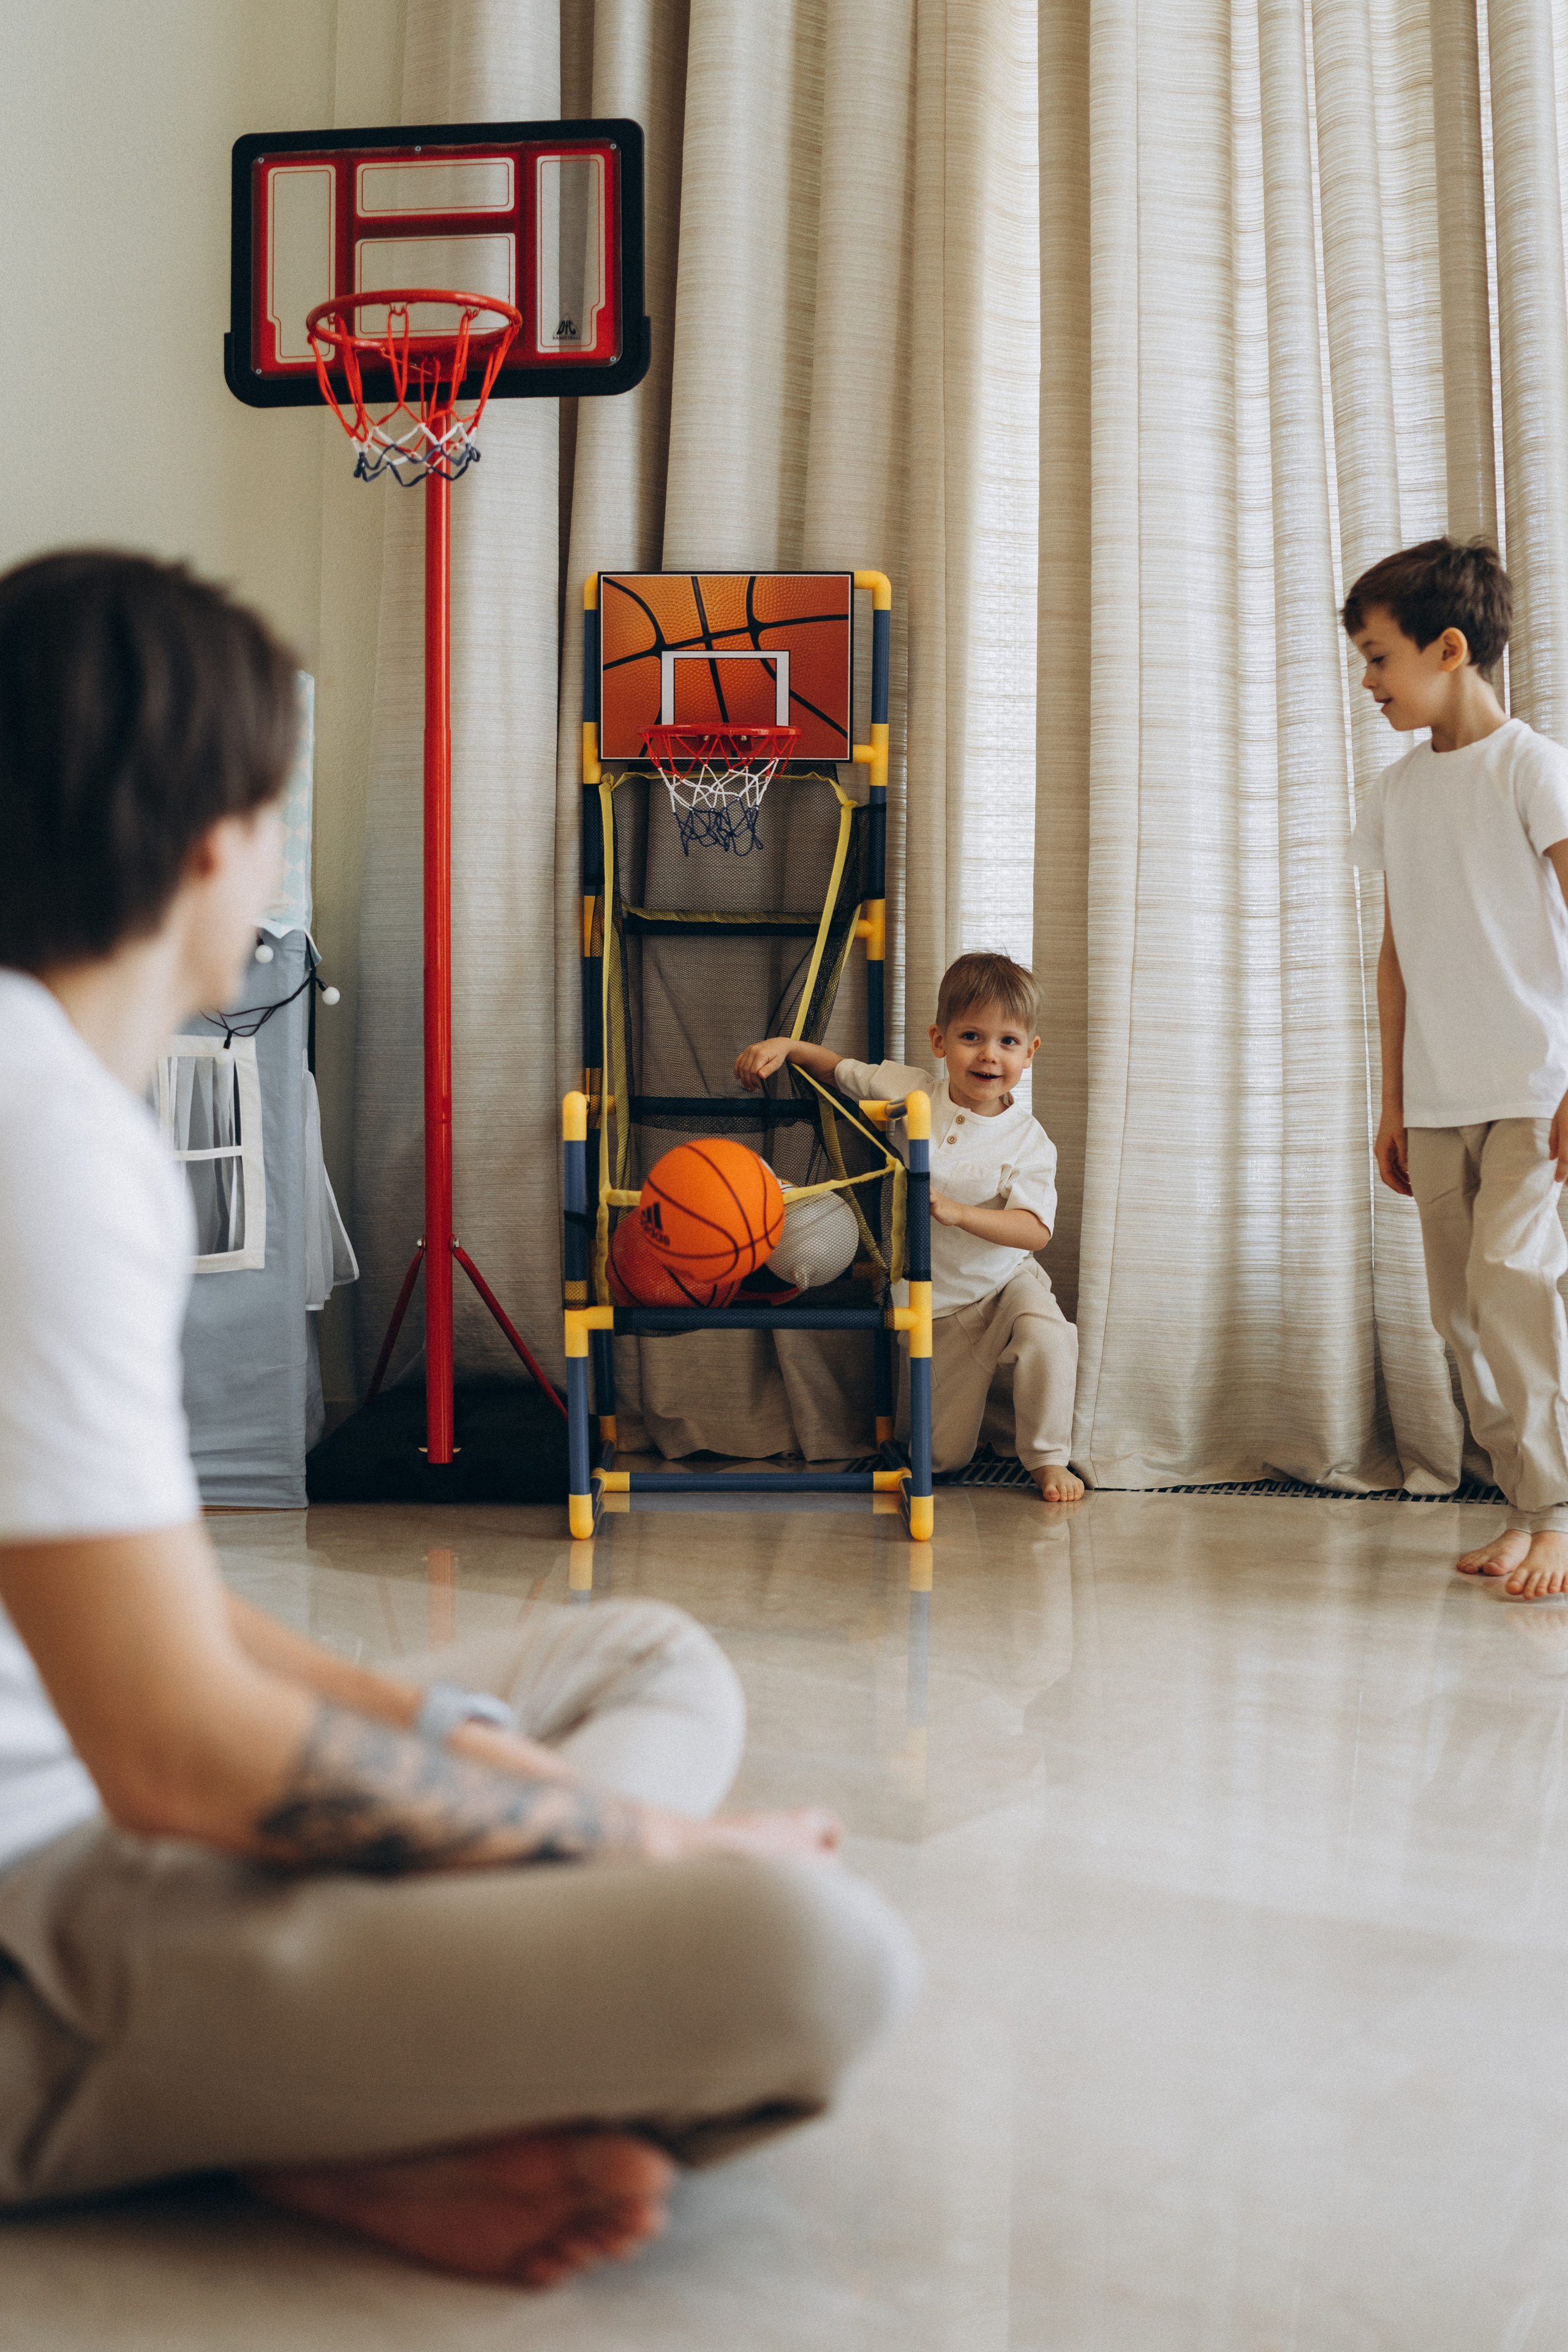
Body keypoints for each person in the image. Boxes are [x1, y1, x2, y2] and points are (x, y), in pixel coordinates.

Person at [0, 549, 918, 2288]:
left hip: (112, 1816)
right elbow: (176, 1753)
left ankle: (320, 2093)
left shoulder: (51, 1099)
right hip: (57, 1909)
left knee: (647, 1660)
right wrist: (638, 1842)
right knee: (813, 1959)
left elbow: (160, 1645)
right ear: (214, 841)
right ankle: (286, 2117)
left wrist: (463, 1757)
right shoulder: (43, 1133)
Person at [1345, 536, 1568, 1602]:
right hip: (1435, 1098)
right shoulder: (1396, 795)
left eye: (1381, 659)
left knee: (1513, 1286)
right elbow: (1396, 955)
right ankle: (1522, 1509)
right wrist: (1390, 1098)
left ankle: (1556, 1512)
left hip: (1532, 1090)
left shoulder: (1533, 767)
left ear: (1449, 647)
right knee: (1459, 1314)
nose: (1370, 682)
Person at [736, 952, 1084, 1503]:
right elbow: (839, 1069)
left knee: (1052, 1336)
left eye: (1008, 1042)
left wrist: (959, 1212)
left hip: (1007, 1284)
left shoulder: (1028, 1138)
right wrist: (787, 1047)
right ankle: (947, 1441)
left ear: (1030, 1052)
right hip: (938, 1303)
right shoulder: (912, 1089)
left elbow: (1034, 1231)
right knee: (938, 1459)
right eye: (972, 1036)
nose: (990, 1055)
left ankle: (1047, 1457)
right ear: (939, 1040)